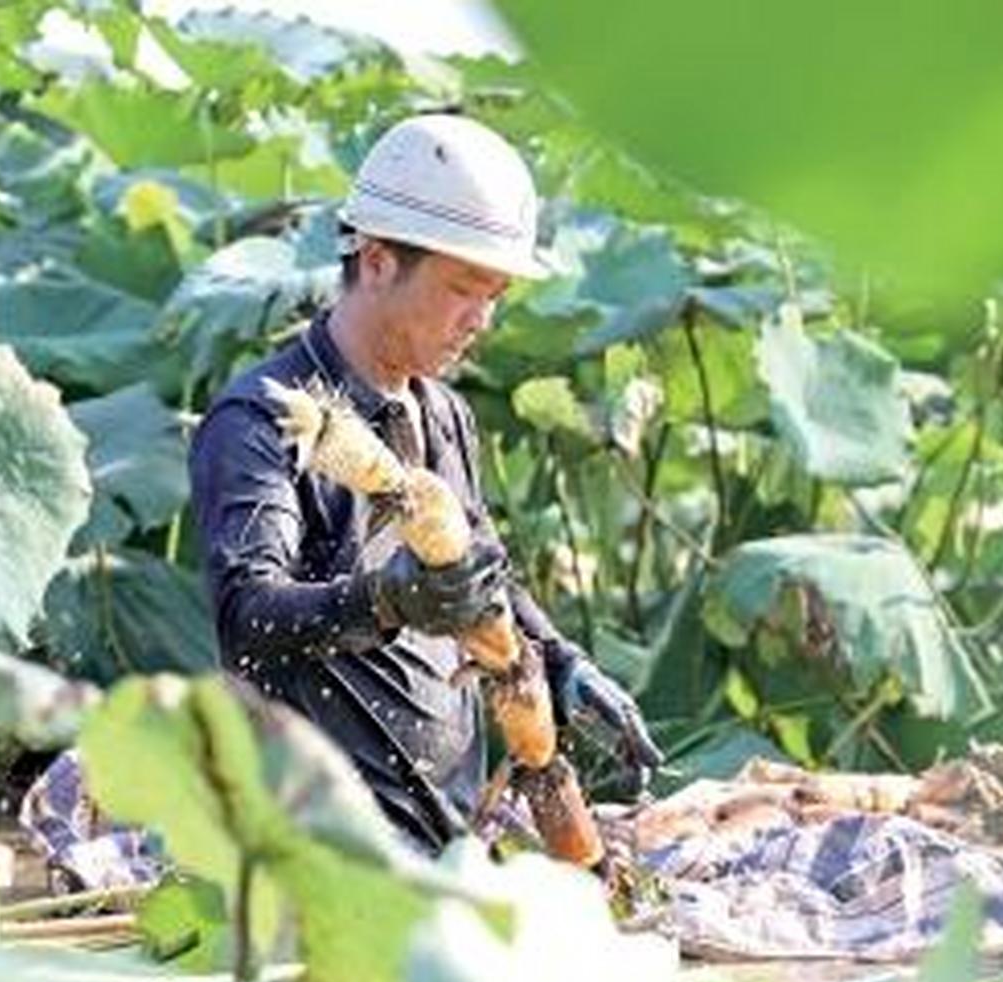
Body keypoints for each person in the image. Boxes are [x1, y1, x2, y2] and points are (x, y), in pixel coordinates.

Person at [188, 113, 661, 854]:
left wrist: (560, 657)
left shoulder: (441, 412)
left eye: (497, 294)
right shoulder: (262, 418)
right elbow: (247, 618)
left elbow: (481, 580)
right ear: (376, 260)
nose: (482, 320)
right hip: (315, 847)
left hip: (447, 841)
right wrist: (387, 599)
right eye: (464, 289)